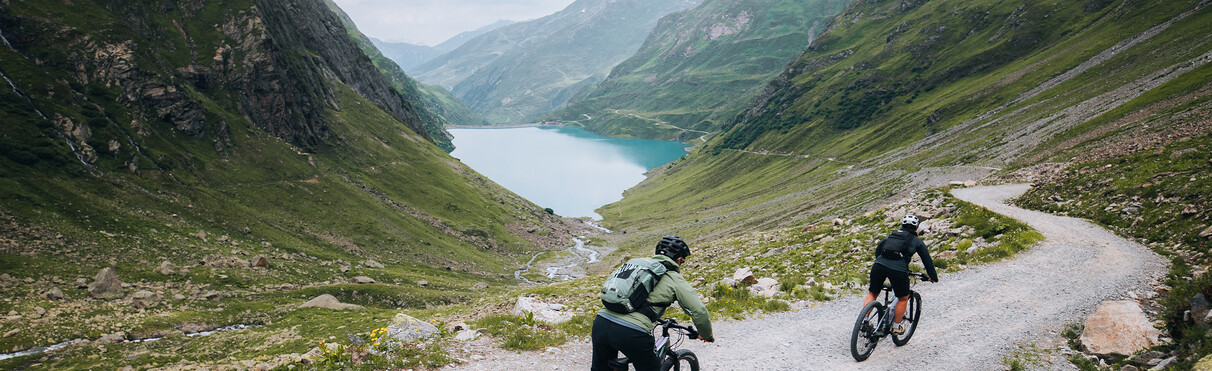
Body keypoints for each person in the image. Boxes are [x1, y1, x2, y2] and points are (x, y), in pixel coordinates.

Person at [591, 235, 714, 371]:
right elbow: (699, 310)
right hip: (631, 332)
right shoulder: (674, 278)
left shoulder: (637, 264)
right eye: (682, 262)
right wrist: (706, 334)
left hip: (600, 322)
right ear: (679, 260)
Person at [864, 214, 939, 334]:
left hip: (879, 265)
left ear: (903, 225)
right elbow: (927, 260)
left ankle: (865, 321)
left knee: (873, 293)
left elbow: (878, 249)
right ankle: (896, 327)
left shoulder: (892, 236)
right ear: (916, 227)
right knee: (903, 297)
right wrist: (933, 277)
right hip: (898, 270)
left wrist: (882, 263)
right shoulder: (917, 241)